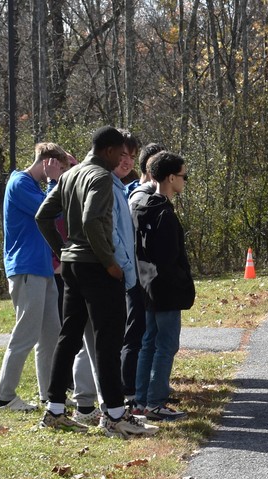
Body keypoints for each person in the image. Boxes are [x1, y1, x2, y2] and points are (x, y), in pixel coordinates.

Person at [35, 125, 156, 437]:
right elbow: (91, 220)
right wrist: (110, 263)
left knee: (70, 336)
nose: (121, 159)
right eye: (120, 153)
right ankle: (115, 415)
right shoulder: (101, 177)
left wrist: (63, 250)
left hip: (73, 265)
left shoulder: (70, 176)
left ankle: (55, 409)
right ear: (108, 150)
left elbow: (43, 215)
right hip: (96, 267)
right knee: (108, 340)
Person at [0, 142, 70, 411]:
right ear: (47, 162)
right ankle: (5, 397)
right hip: (26, 269)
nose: (62, 173)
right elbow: (49, 211)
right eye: (59, 167)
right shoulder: (19, 183)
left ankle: (49, 394)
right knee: (25, 334)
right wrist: (54, 182)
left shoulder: (33, 186)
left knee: (51, 335)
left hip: (44, 269)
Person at [133, 151, 195, 420]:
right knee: (166, 345)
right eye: (183, 176)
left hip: (145, 284)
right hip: (165, 289)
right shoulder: (164, 213)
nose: (185, 181)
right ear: (170, 177)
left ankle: (141, 399)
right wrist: (182, 283)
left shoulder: (140, 204)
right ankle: (155, 402)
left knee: (148, 342)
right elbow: (169, 258)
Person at [125, 142, 166, 410]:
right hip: (137, 274)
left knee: (148, 334)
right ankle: (131, 390)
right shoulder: (137, 196)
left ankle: (147, 389)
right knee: (136, 332)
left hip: (146, 275)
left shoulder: (155, 196)